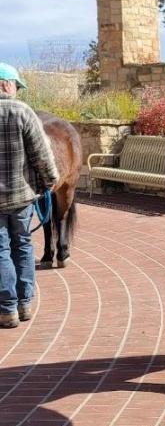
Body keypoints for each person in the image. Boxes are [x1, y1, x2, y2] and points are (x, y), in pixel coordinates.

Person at [0, 62, 59, 328]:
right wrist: (51, 181)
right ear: (6, 84)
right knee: (22, 245)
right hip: (22, 197)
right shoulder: (23, 112)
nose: (17, 91)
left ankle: (7, 309)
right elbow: (41, 154)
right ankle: (24, 304)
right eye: (16, 85)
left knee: (1, 251)